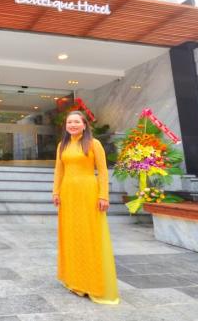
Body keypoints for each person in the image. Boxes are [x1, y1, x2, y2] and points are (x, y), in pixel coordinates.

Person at [52, 110, 119, 304]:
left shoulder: (93, 143)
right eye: (69, 122)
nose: (72, 125)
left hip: (88, 192)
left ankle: (92, 283)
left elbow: (103, 172)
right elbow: (59, 170)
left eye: (76, 122)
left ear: (84, 125)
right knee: (71, 235)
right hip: (68, 194)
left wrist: (103, 195)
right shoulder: (62, 145)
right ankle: (75, 280)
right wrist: (56, 192)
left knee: (89, 235)